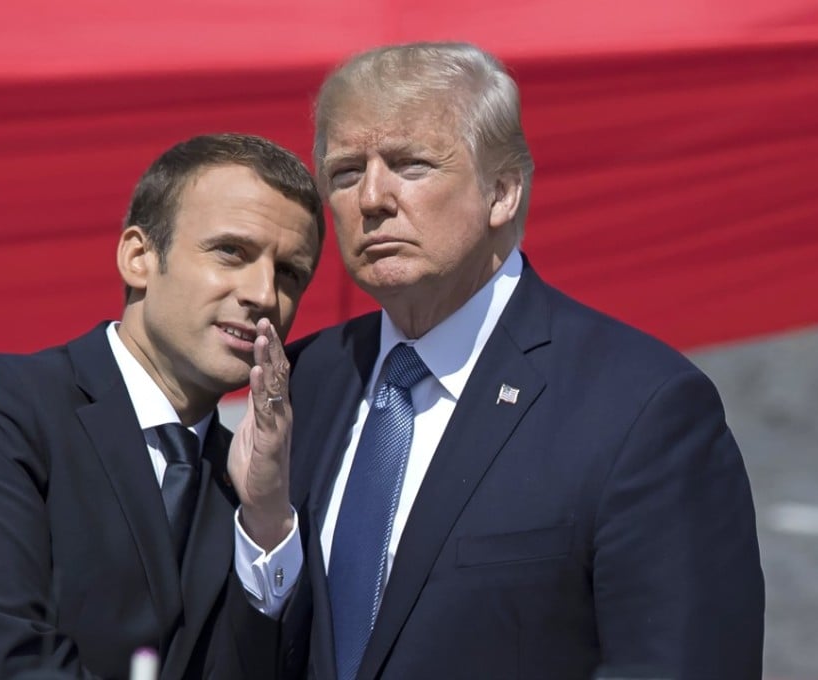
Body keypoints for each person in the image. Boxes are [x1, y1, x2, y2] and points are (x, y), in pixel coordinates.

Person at [284, 42, 765, 680]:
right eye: (345, 172)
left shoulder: (641, 409)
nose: (372, 197)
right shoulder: (299, 384)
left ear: (503, 191)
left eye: (412, 165)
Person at [0, 133, 323, 679]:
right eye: (231, 251)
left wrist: (264, 521)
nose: (263, 294)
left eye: (289, 273)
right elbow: (2, 661)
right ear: (139, 257)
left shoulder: (255, 491)